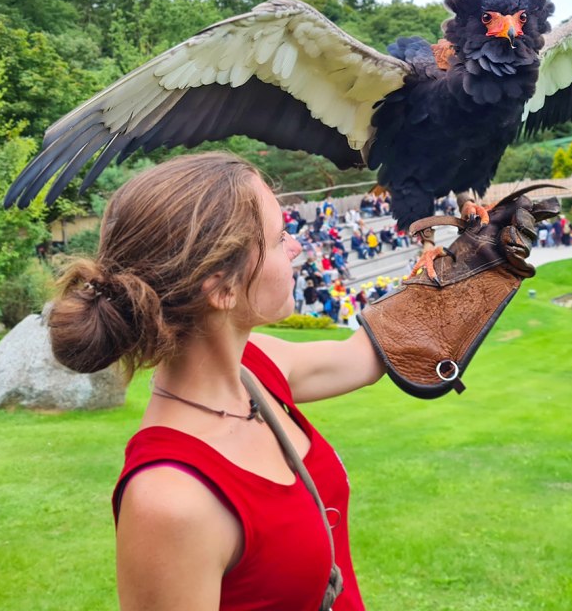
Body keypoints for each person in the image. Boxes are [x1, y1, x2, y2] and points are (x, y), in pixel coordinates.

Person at [48, 153, 384, 609]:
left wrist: (487, 255)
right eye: (281, 235)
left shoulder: (259, 367)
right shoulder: (169, 499)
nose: (297, 247)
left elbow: (367, 356)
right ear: (222, 288)